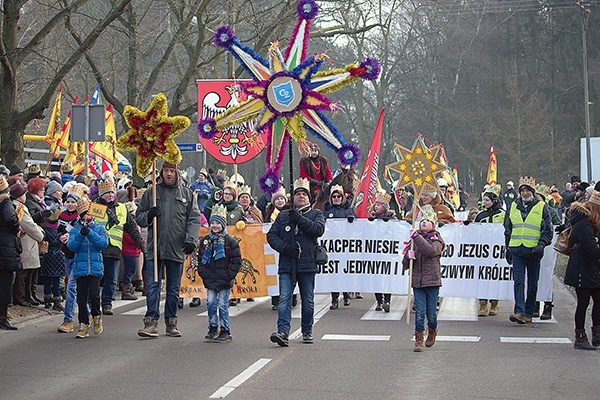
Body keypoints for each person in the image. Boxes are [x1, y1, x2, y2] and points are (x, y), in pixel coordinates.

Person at [136, 161, 200, 338]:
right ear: (161, 172)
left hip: (176, 247)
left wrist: (191, 240)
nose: (169, 174)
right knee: (153, 286)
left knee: (173, 288)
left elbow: (194, 219)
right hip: (155, 247)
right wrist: (149, 215)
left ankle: (171, 321)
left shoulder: (186, 194)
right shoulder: (152, 194)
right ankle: (151, 322)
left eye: (172, 171)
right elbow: (139, 217)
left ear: (177, 172)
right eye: (166, 171)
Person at [268, 178, 325, 346]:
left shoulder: (316, 214)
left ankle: (307, 330)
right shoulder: (283, 216)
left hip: (307, 264)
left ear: (309, 198)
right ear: (292, 198)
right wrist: (285, 247)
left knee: (307, 300)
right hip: (287, 264)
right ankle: (282, 332)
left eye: (304, 194)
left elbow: (318, 230)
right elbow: (271, 236)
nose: (301, 196)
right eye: (298, 194)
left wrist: (299, 219)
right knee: (284, 298)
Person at [504, 176, 553, 324]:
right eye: (522, 190)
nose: (525, 193)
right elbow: (508, 228)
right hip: (517, 249)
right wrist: (508, 248)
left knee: (533, 283)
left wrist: (541, 245)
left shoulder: (541, 207)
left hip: (533, 251)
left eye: (527, 190)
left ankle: (529, 311)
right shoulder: (513, 206)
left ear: (532, 192)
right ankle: (519, 311)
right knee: (518, 281)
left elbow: (548, 230)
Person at [94, 179, 144, 315]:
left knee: (112, 278)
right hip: (97, 248)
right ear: (100, 194)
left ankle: (107, 303)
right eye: (106, 193)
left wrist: (139, 241)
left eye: (112, 192)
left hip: (114, 249)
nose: (110, 195)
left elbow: (131, 227)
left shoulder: (122, 208)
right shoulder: (94, 207)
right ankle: (93, 303)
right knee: (96, 279)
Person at [403, 204, 445, 352]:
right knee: (419, 312)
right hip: (418, 282)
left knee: (431, 314)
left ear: (433, 224)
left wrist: (417, 237)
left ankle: (432, 330)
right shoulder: (414, 241)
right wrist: (408, 256)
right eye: (422, 221)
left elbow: (431, 251)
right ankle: (418, 339)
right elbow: (405, 264)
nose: (424, 223)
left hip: (432, 281)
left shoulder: (436, 239)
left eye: (427, 221)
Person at [197, 204, 242, 343]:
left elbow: (236, 260)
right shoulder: (205, 241)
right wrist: (203, 272)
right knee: (210, 302)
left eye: (218, 223)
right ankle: (212, 326)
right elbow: (200, 259)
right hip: (210, 278)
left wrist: (230, 275)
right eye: (212, 223)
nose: (215, 226)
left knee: (222, 304)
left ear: (223, 224)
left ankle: (225, 329)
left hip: (224, 279)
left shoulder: (230, 241)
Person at [67, 196, 109, 338]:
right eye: (84, 214)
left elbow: (102, 244)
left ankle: (97, 315)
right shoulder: (75, 230)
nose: (87, 217)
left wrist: (90, 234)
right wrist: (80, 234)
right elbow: (71, 246)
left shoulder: (98, 228)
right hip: (80, 268)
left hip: (95, 268)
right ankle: (83, 323)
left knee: (94, 294)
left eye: (88, 214)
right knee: (81, 298)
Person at [562, 198, 600, 350]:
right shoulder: (584, 225)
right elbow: (593, 251)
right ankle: (580, 337)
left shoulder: (586, 223)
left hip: (589, 268)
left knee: (597, 300)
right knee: (583, 303)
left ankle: (597, 333)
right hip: (582, 269)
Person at [10, 183, 44, 308]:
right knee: (23, 273)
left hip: (28, 242)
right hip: (26, 242)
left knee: (28, 272)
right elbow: (29, 225)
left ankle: (27, 295)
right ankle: (20, 297)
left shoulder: (18, 206)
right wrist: (40, 235)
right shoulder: (19, 208)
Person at [473, 185, 504, 317]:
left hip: (497, 252)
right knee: (482, 278)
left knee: (495, 277)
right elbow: (473, 232)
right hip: (483, 252)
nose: (484, 203)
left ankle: (494, 304)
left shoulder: (503, 215)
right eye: (483, 200)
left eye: (487, 200)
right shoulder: (481, 215)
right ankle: (482, 304)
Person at [56, 185, 84, 333]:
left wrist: (71, 235)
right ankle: (87, 312)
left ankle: (68, 320)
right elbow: (58, 230)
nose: (70, 204)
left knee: (71, 287)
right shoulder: (62, 216)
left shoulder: (81, 217)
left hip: (78, 255)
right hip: (67, 254)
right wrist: (61, 236)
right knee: (76, 287)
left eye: (73, 202)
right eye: (68, 202)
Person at [323, 184, 355, 309]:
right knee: (333, 273)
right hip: (331, 248)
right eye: (334, 196)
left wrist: (352, 220)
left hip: (345, 247)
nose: (336, 198)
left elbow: (356, 228)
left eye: (339, 196)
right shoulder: (326, 210)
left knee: (344, 272)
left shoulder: (348, 210)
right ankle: (334, 299)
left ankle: (346, 294)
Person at [0, 176, 22, 330]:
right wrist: (16, 229)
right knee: (5, 282)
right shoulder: (5, 202)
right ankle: (2, 316)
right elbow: (10, 219)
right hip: (5, 245)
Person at [369, 191, 396, 311]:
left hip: (387, 254)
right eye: (376, 205)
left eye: (379, 205)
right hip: (375, 253)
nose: (376, 207)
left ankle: (387, 300)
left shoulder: (392, 218)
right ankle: (379, 301)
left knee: (387, 277)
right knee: (377, 279)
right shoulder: (372, 218)